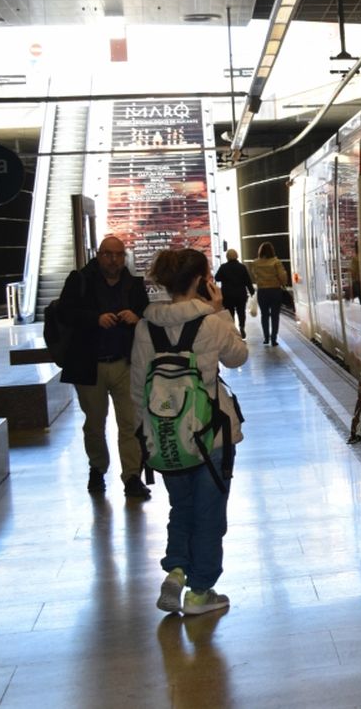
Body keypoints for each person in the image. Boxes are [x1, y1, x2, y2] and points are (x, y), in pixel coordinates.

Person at [131, 249, 248, 615]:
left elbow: (138, 388)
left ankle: (176, 571)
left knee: (181, 508)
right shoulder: (211, 323)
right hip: (210, 437)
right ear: (201, 281)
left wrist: (150, 434)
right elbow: (239, 356)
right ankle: (200, 592)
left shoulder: (144, 326)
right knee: (209, 514)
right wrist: (220, 310)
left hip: (167, 440)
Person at [57, 235, 152, 498]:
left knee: (130, 422)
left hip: (125, 362)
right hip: (90, 365)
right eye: (109, 254)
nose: (114, 260)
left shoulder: (133, 285)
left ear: (124, 257)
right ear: (99, 255)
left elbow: (146, 312)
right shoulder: (80, 280)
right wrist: (95, 319)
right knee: (95, 423)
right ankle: (97, 468)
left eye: (119, 255)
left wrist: (137, 316)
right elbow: (64, 313)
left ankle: (132, 476)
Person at [248, 242, 290, 346]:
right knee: (275, 316)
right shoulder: (276, 262)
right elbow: (283, 277)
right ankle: (274, 339)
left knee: (264, 315)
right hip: (275, 291)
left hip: (262, 292)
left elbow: (254, 275)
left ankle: (266, 337)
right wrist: (282, 283)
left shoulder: (255, 263)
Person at [213, 249, 254, 339]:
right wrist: (252, 293)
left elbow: (217, 278)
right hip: (240, 294)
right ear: (237, 256)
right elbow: (248, 281)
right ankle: (242, 327)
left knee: (230, 313)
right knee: (241, 312)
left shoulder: (223, 267)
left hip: (227, 295)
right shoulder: (242, 267)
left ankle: (233, 330)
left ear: (227, 257)